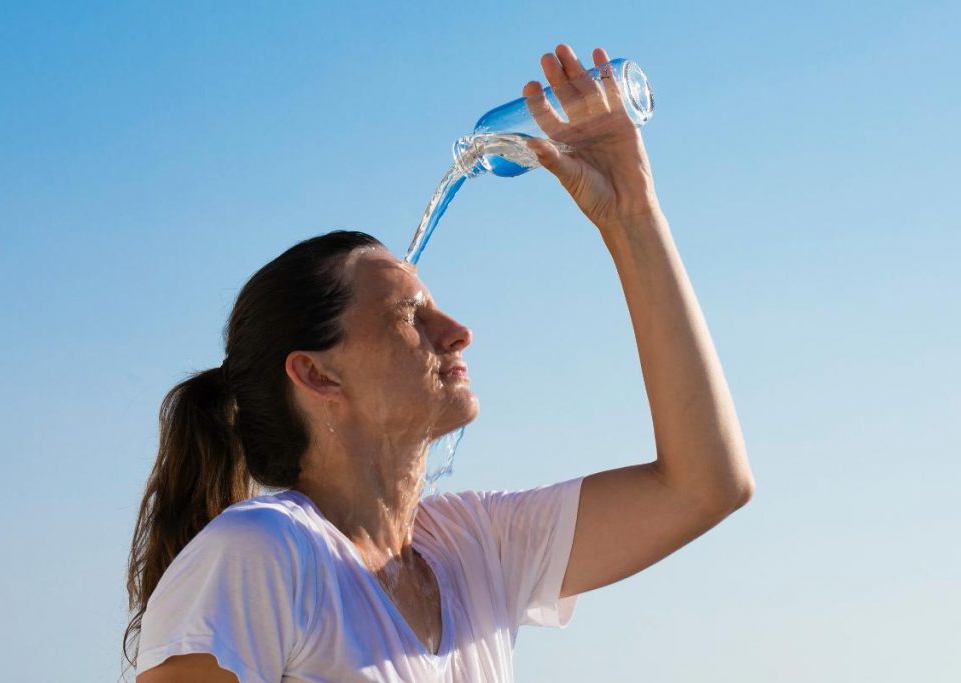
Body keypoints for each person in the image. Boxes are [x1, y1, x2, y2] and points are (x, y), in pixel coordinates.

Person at [125, 43, 755, 683]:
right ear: (317, 374)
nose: (458, 333)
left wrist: (632, 216)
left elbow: (706, 485)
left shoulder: (475, 547)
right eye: (408, 316)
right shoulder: (264, 554)